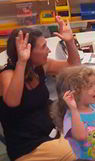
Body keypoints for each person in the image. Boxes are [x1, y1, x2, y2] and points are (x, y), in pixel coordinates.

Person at [0, 17, 80, 161]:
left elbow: (74, 67)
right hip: (27, 149)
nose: (48, 50)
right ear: (28, 51)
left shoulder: (40, 67)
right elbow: (12, 101)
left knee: (90, 135)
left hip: (49, 137)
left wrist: (69, 42)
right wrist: (22, 61)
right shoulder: (7, 75)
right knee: (81, 148)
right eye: (43, 47)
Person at [53, 66, 95, 160]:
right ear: (75, 92)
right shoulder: (71, 116)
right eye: (90, 86)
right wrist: (74, 109)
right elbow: (81, 136)